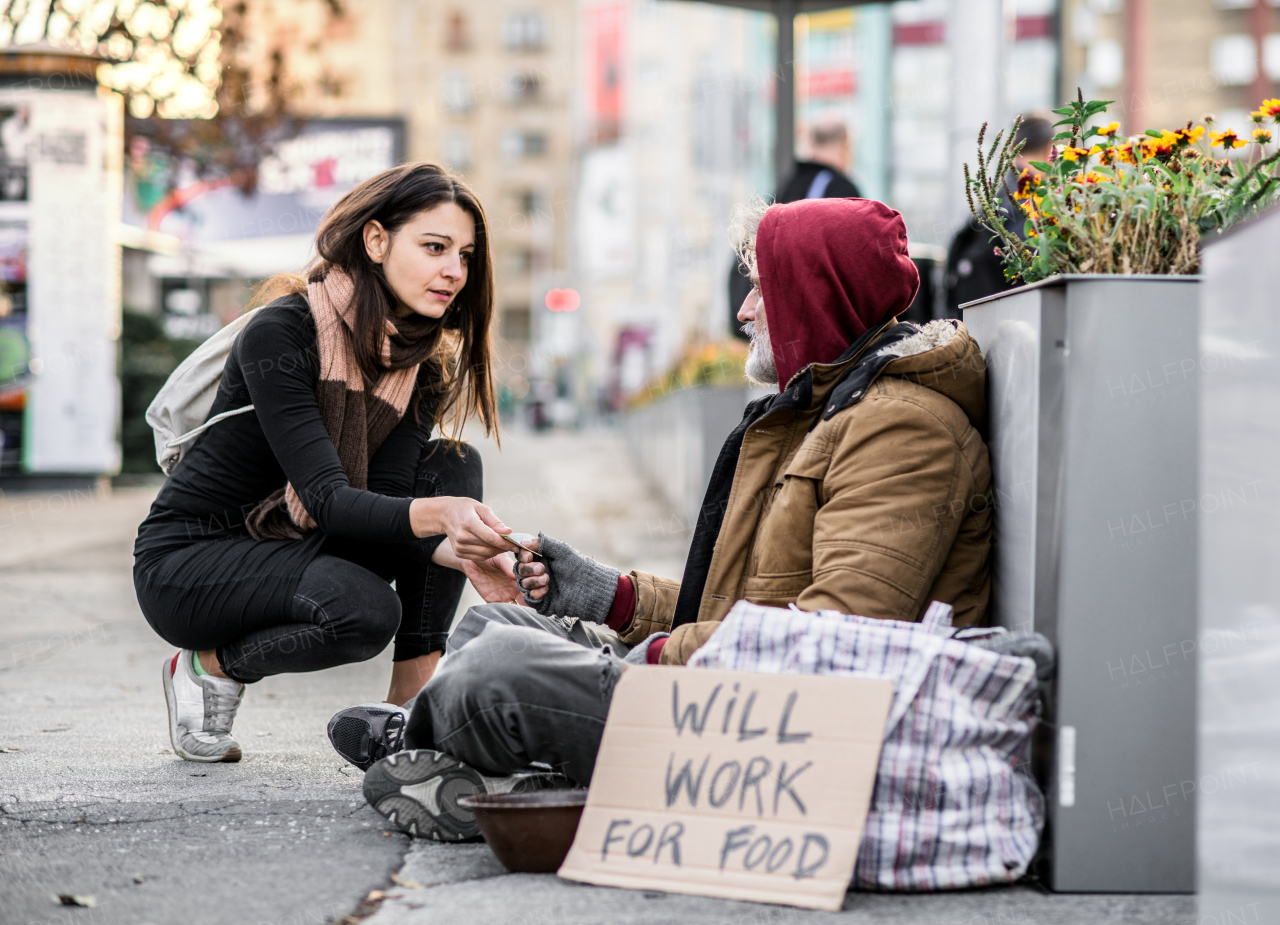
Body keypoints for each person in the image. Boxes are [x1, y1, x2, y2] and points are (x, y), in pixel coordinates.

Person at [343, 197, 994, 842]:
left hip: (781, 734)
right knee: (495, 621)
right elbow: (740, 609)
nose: (742, 311)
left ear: (816, 294)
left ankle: (450, 754)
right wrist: (611, 595)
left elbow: (831, 641)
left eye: (761, 290)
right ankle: (508, 778)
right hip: (737, 693)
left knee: (499, 666)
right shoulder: (830, 411)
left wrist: (652, 658)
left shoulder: (903, 428)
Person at [134, 163, 523, 764]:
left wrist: (471, 549)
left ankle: (410, 705)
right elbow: (328, 500)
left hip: (302, 545)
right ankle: (206, 667)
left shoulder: (421, 363)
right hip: (191, 561)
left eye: (466, 256)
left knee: (451, 464)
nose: (455, 271)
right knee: (364, 611)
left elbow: (388, 500)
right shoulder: (281, 334)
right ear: (375, 241)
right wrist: (442, 520)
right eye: (435, 247)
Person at [729, 118, 862, 339]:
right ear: (846, 146)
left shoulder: (790, 182)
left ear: (812, 144)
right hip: (804, 326)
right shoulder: (841, 188)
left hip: (767, 317)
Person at [944, 114, 1054, 314]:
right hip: (1015, 316)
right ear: (1050, 148)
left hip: (982, 312)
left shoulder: (1000, 192)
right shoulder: (1031, 198)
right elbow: (1037, 265)